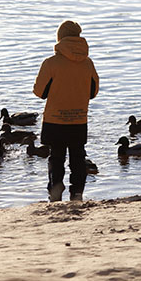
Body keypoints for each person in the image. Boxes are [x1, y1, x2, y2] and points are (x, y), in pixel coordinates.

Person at [32, 20, 99, 202]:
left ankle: (55, 191)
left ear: (60, 38)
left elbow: (40, 92)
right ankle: (77, 193)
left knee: (56, 157)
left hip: (55, 119)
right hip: (79, 119)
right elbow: (93, 92)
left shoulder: (51, 63)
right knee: (78, 156)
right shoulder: (88, 64)